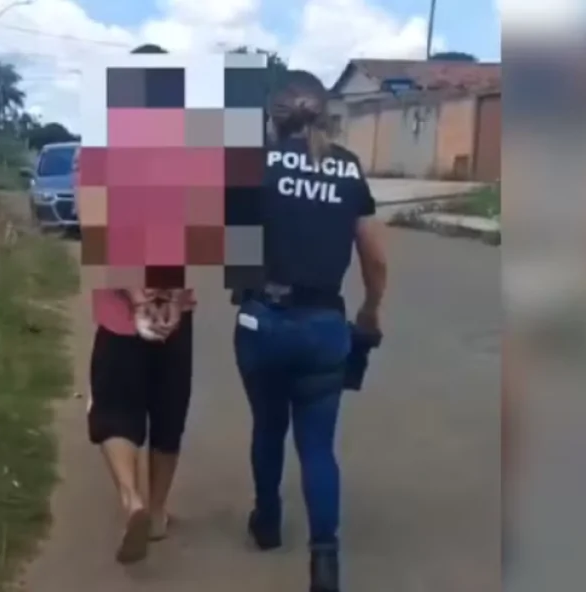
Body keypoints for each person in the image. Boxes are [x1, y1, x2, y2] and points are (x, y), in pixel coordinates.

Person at [233, 70, 387, 592]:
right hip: (324, 327)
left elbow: (234, 250)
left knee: (267, 427)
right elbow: (375, 258)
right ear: (325, 114)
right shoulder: (348, 168)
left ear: (273, 118)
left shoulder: (256, 165)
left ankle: (267, 521)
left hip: (264, 322)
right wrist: (370, 311)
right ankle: (325, 561)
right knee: (318, 447)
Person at [88, 287, 195, 563]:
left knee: (114, 411)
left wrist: (138, 300)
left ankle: (132, 499)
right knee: (169, 413)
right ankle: (157, 513)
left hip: (119, 320)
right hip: (173, 320)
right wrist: (172, 300)